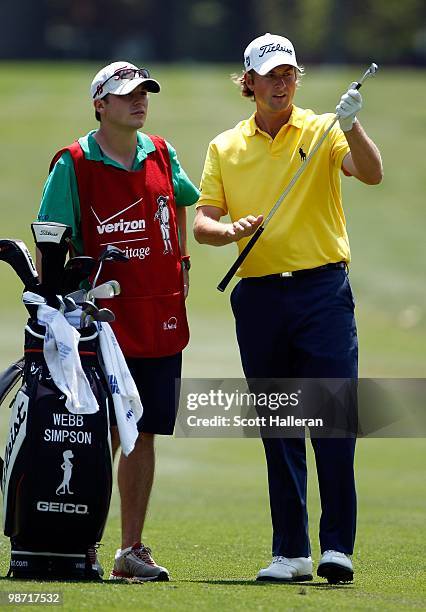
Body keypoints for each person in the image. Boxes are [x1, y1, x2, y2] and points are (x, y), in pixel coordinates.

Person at [193, 33, 383, 583]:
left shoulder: (325, 131)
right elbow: (202, 222)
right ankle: (291, 552)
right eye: (272, 75)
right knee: (280, 426)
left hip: (322, 293)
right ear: (248, 82)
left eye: (290, 74)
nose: (283, 83)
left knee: (331, 419)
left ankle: (337, 548)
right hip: (258, 299)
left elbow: (370, 173)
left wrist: (351, 125)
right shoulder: (225, 146)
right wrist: (229, 230)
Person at [36, 61, 199, 581]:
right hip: (100, 321)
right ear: (100, 105)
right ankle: (81, 543)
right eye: (126, 94)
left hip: (159, 318)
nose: (139, 100)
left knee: (143, 432)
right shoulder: (74, 162)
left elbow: (184, 205)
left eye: (144, 92)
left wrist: (186, 261)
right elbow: (50, 244)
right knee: (96, 433)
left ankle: (130, 551)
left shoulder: (163, 153)